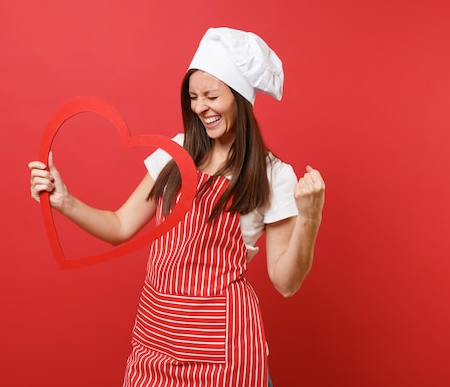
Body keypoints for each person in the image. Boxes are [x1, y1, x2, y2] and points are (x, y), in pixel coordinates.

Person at [29, 27, 326, 387]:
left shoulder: (272, 174)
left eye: (212, 96)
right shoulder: (176, 151)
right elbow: (121, 225)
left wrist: (310, 217)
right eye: (193, 96)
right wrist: (65, 201)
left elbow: (286, 283)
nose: (200, 107)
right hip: (155, 343)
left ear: (239, 98)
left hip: (225, 352)